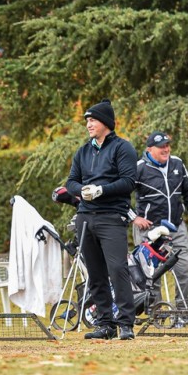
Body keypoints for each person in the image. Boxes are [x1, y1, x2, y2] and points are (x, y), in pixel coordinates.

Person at [66, 99, 138, 340]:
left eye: (93, 120)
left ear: (106, 122)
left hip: (112, 216)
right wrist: (81, 190)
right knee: (95, 273)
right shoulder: (83, 151)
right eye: (87, 120)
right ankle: (105, 323)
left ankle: (125, 323)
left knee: (117, 269)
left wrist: (101, 190)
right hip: (85, 217)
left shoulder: (122, 148)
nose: (89, 124)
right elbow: (71, 181)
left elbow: (129, 181)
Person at [132, 131, 188, 313]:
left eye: (167, 145)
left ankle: (183, 312)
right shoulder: (138, 168)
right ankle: (157, 314)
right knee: (151, 275)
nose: (166, 149)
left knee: (184, 269)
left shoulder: (177, 163)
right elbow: (121, 195)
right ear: (150, 149)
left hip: (176, 227)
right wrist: (134, 217)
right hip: (149, 229)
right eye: (161, 147)